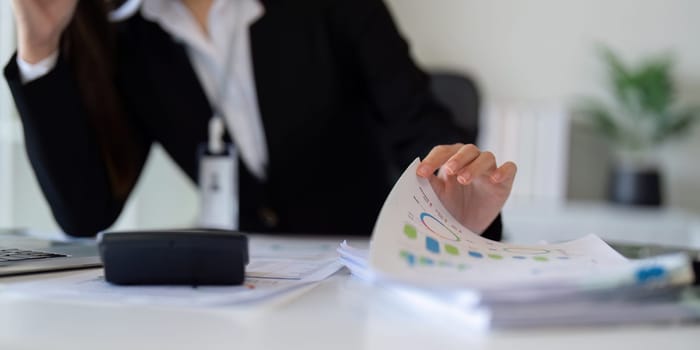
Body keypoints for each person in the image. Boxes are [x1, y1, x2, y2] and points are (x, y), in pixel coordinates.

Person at [4, 0, 516, 239]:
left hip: (357, 277)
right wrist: (40, 48)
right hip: (234, 296)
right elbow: (85, 213)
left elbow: (421, 127)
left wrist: (460, 212)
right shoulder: (127, 35)